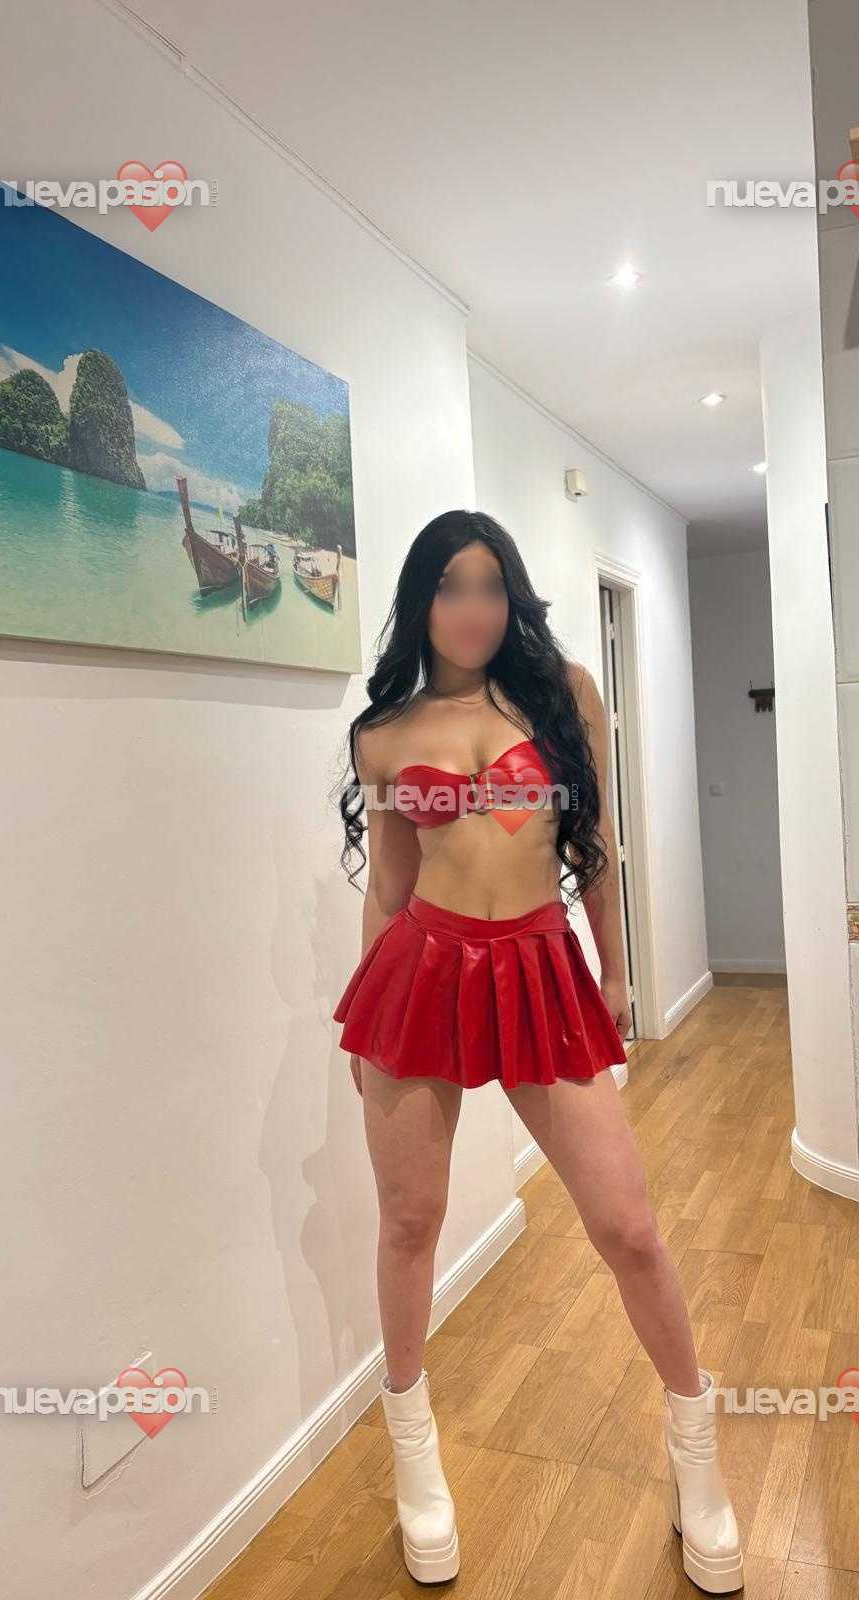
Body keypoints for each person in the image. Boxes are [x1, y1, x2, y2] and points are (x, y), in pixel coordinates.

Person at [332, 509, 743, 1594]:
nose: (472, 608)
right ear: (420, 601)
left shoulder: (562, 691)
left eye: (490, 585)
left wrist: (614, 973)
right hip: (420, 972)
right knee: (409, 1222)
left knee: (629, 1227)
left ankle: (698, 1457)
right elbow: (389, 885)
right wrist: (366, 1012)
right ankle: (415, 1460)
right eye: (450, 586)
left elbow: (591, 844)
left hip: (537, 966)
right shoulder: (385, 732)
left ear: (511, 597)